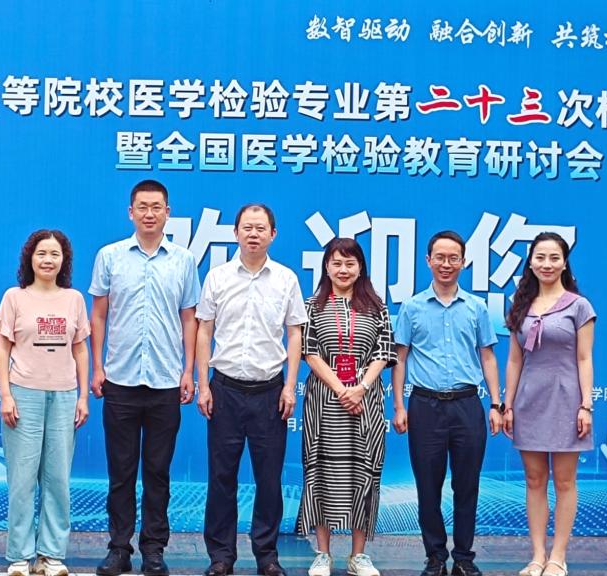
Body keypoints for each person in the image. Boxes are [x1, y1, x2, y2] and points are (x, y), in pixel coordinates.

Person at [90, 180, 201, 576]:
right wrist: (97, 367)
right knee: (121, 473)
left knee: (157, 472)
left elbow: (189, 318)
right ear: (130, 212)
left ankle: (154, 549)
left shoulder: (183, 260)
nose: (149, 213)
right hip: (120, 379)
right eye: (142, 206)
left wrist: (188, 371)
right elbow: (98, 314)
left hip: (166, 380)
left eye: (156, 207)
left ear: (168, 212)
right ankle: (119, 548)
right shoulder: (110, 256)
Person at [195, 203, 307, 576]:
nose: (253, 234)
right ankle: (221, 556)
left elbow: (294, 333)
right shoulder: (218, 277)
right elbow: (204, 330)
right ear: (235, 233)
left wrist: (290, 386)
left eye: (261, 228)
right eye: (247, 227)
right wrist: (203, 385)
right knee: (221, 477)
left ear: (273, 234)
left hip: (269, 392)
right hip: (224, 389)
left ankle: (267, 556)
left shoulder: (286, 279)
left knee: (269, 479)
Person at [392, 230, 502, 576]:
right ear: (428, 261)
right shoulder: (411, 307)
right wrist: (399, 406)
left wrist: (496, 404)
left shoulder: (476, 307)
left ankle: (464, 557)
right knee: (428, 485)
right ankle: (435, 556)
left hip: (467, 404)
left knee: (467, 484)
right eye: (440, 257)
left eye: (453, 258)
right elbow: (400, 358)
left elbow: (487, 357)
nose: (446, 264)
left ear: (463, 262)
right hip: (424, 405)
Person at [296, 238, 396, 576]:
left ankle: (358, 555)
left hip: (366, 400)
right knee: (321, 471)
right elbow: (309, 352)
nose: (343, 270)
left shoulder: (376, 306)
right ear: (326, 266)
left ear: (360, 267)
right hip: (325, 400)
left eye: (350, 264)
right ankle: (323, 554)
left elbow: (384, 350)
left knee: (364, 472)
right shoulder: (311, 305)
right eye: (337, 263)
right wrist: (341, 389)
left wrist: (361, 387)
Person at [0, 230, 90, 576]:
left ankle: (51, 555)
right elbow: (2, 349)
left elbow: (80, 349)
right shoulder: (14, 298)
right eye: (41, 254)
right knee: (22, 479)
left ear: (64, 261)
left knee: (57, 479)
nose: (48, 260)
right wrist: (6, 395)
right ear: (29, 258)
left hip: (64, 395)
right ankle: (20, 556)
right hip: (23, 394)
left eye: (54, 254)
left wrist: (83, 396)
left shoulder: (74, 299)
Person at [502, 232, 596, 576]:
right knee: (534, 478)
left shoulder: (579, 306)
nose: (547, 264)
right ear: (530, 262)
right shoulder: (520, 305)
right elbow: (514, 360)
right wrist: (507, 405)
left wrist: (586, 405)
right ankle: (538, 555)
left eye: (554, 257)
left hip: (567, 401)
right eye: (540, 257)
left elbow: (584, 358)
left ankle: (558, 556)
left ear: (564, 263)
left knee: (565, 481)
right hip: (529, 401)